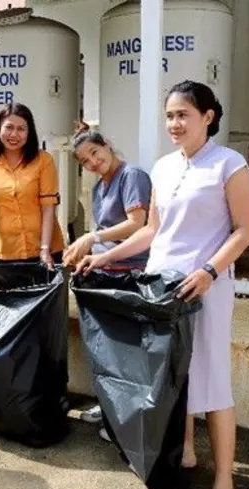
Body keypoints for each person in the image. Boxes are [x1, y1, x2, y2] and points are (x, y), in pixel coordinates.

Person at [71, 80, 249, 489]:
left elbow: (245, 229)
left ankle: (224, 485)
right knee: (173, 374)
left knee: (212, 381)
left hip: (204, 288)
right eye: (170, 115)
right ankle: (186, 452)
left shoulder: (229, 165)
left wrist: (210, 271)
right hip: (162, 286)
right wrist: (103, 257)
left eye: (183, 115)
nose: (174, 123)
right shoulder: (164, 167)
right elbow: (151, 231)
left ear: (207, 117)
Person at [62, 124, 152, 442]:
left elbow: (136, 224)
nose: (93, 164)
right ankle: (111, 406)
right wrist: (83, 253)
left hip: (129, 275)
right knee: (107, 350)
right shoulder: (101, 187)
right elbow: (100, 236)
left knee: (126, 351)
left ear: (107, 145)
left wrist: (93, 237)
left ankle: (126, 420)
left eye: (95, 154)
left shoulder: (132, 176)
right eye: (85, 162)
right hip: (106, 272)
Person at [0, 102, 65, 272]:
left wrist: (44, 249)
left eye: (21, 129)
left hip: (46, 251)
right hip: (8, 253)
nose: (14, 134)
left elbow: (48, 208)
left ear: (29, 132)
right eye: (9, 127)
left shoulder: (44, 161)